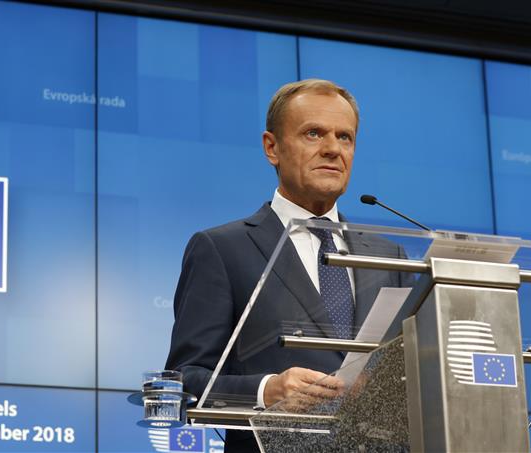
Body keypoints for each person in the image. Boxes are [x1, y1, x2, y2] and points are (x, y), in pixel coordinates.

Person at [165, 79, 413, 453]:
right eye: (313, 133)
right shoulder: (222, 249)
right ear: (272, 147)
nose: (332, 149)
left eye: (344, 137)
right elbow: (183, 383)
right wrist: (268, 390)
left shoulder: (389, 257)